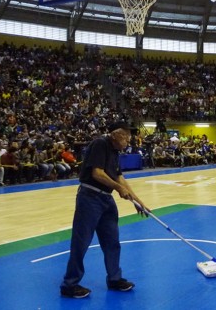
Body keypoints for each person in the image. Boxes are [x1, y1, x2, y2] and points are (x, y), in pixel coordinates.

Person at [60, 122, 150, 299]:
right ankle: (70, 284)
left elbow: (119, 177)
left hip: (106, 200)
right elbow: (97, 173)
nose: (128, 139)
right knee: (81, 242)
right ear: (115, 134)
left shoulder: (115, 151)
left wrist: (137, 201)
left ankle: (115, 279)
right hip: (90, 198)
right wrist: (118, 188)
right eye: (125, 135)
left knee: (112, 242)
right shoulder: (100, 144)